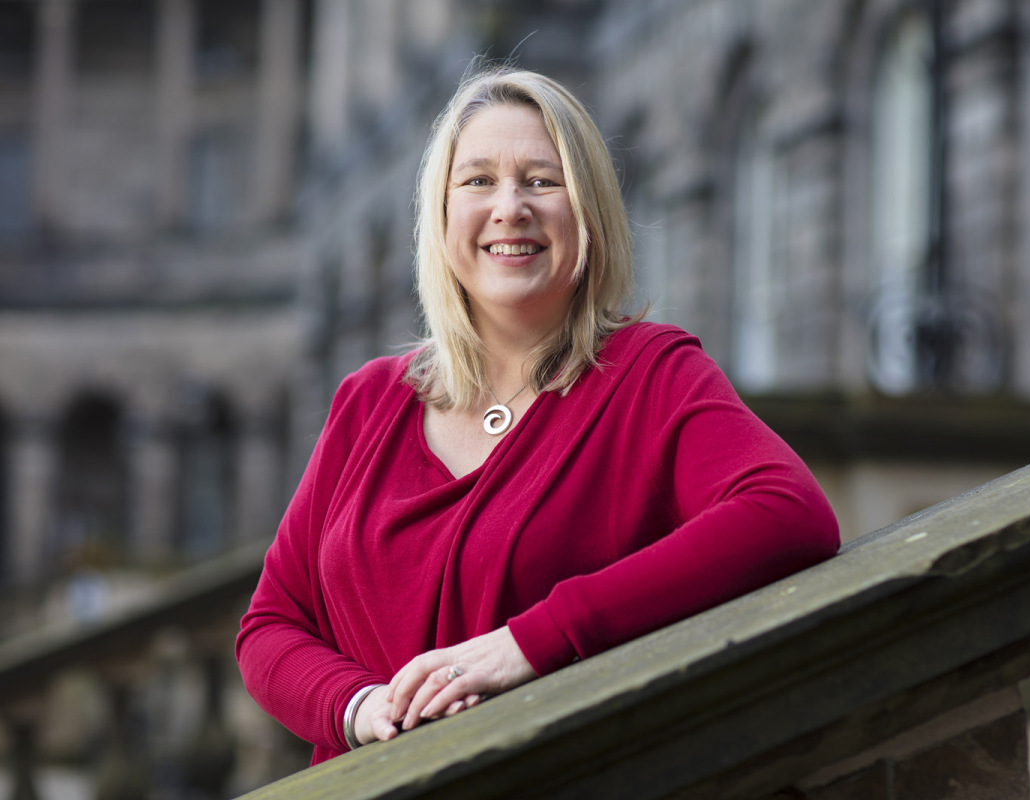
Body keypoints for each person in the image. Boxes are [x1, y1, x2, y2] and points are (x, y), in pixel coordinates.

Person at [236, 66, 840, 766]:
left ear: (587, 211)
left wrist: (529, 643)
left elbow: (787, 512)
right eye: (478, 180)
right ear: (441, 215)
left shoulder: (648, 374)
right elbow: (271, 624)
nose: (510, 207)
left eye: (542, 181)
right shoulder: (369, 402)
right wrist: (362, 706)